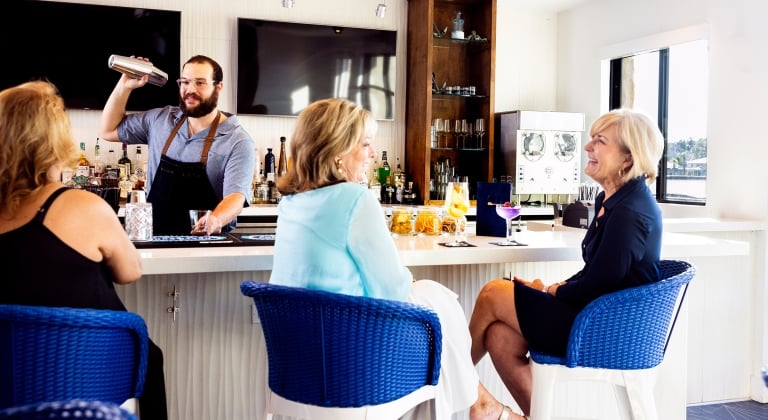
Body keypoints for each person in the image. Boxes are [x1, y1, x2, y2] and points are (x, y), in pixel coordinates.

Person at [268, 98, 516, 420]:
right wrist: (411, 281)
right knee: (435, 299)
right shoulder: (355, 198)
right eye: (366, 144)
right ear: (338, 151)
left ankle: (482, 404)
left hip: (300, 364)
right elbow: (392, 290)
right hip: (353, 364)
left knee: (432, 301)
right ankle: (481, 405)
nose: (373, 154)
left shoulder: (291, 202)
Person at [468, 108, 665, 417]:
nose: (588, 147)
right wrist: (549, 289)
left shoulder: (631, 212)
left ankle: (451, 384)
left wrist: (553, 291)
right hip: (594, 317)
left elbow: (600, 284)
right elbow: (595, 273)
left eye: (600, 141)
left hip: (603, 330)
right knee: (500, 337)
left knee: (492, 293)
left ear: (628, 158)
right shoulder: (611, 201)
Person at [0, 80, 168, 419]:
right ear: (55, 140)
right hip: (89, 376)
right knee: (152, 355)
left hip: (8, 379)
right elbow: (130, 272)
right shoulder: (80, 205)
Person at [99, 55, 255, 235]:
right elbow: (107, 130)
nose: (190, 89)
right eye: (185, 82)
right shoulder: (160, 120)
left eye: (200, 83)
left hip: (206, 242)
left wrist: (216, 218)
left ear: (218, 87)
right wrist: (124, 86)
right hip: (155, 240)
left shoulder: (237, 140)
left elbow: (235, 196)